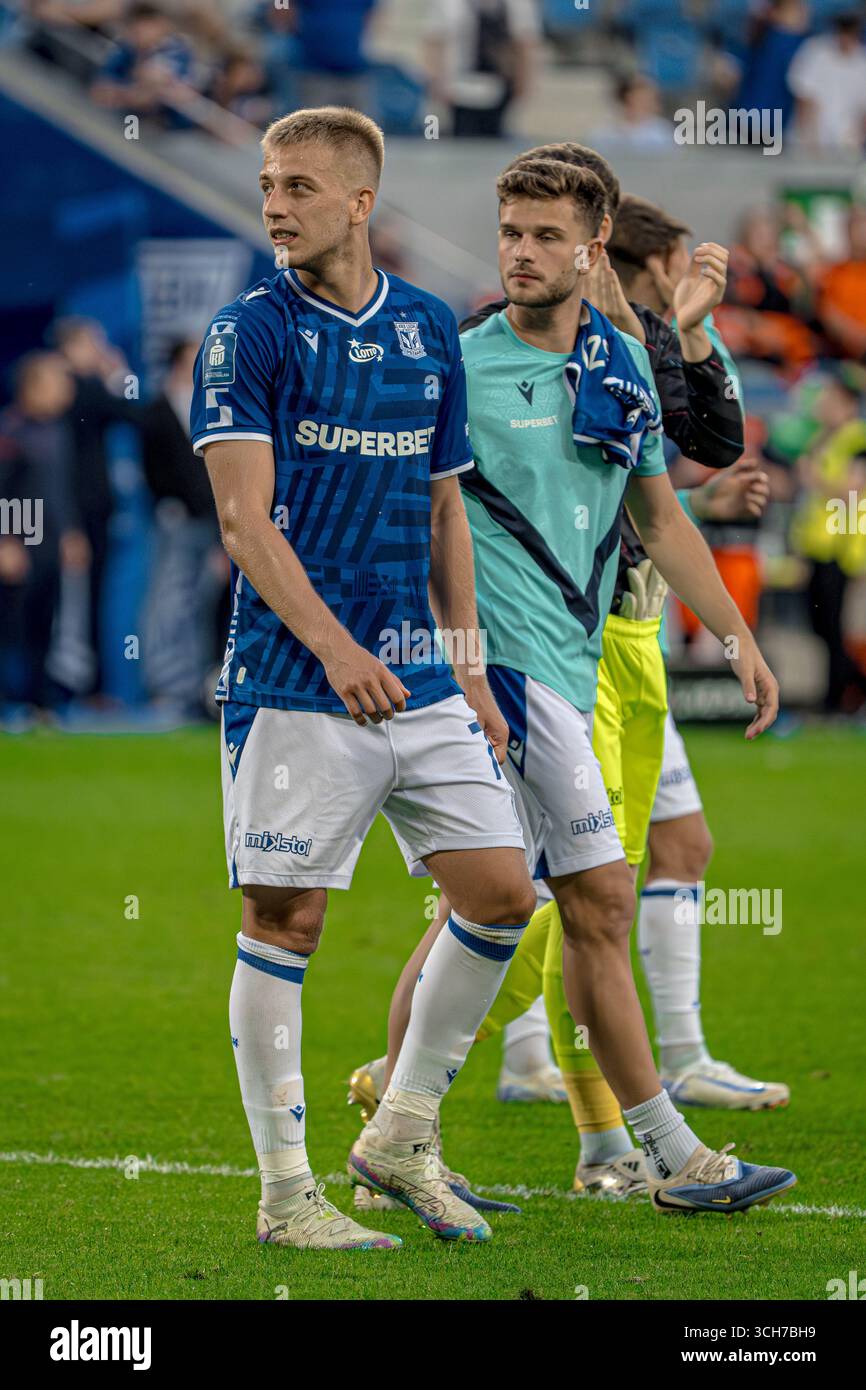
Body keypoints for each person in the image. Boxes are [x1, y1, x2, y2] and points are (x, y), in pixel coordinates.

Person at [350, 153, 795, 1218]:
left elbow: (659, 517)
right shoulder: (456, 365)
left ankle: (407, 1128)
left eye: (546, 236)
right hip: (497, 680)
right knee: (547, 906)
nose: (520, 253)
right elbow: (407, 525)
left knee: (547, 908)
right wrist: (453, 667)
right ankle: (661, 1153)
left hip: (569, 667)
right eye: (510, 232)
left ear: (593, 248)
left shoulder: (621, 368)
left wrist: (736, 636)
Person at [192, 105, 538, 1250]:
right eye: (264, 184)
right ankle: (287, 1195)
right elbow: (243, 522)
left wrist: (469, 665)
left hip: (421, 682)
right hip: (296, 681)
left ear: (358, 201)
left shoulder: (430, 326)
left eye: (296, 185)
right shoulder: (249, 335)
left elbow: (445, 506)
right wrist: (338, 650)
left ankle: (399, 1129)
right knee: (285, 920)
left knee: (500, 893)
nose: (274, 203)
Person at [0, 352, 87, 714]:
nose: (67, 392)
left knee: (43, 622)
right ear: (33, 387)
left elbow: (60, 492)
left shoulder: (58, 431)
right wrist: (5, 542)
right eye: (58, 383)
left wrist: (71, 533)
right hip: (19, 538)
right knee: (11, 625)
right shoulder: (10, 431)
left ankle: (39, 704)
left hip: (48, 542)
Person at [791, 372, 866, 713]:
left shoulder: (856, 439)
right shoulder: (824, 438)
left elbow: (852, 491)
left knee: (832, 626)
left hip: (842, 545)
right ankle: (847, 691)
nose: (823, 406)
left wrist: (814, 477)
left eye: (831, 399)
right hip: (818, 545)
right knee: (821, 625)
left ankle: (839, 699)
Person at [423, 0, 540, 139]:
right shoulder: (448, 3)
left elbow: (524, 44)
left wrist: (523, 82)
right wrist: (436, 80)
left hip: (500, 85)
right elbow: (434, 41)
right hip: (459, 84)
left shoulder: (518, 4)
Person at [788, 10, 866, 150]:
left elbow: (863, 109)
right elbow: (804, 98)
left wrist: (858, 141)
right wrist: (810, 140)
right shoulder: (815, 50)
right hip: (811, 139)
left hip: (845, 142)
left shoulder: (862, 60)